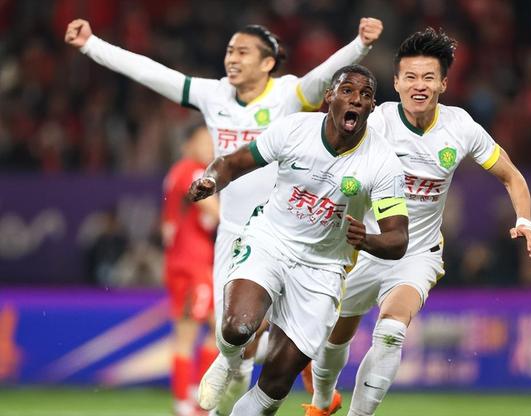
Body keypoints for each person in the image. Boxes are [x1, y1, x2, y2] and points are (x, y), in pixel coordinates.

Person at [64, 16, 383, 414]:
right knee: (235, 337)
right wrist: (92, 44)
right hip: (235, 234)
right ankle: (231, 392)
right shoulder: (214, 95)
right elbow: (151, 73)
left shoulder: (288, 94)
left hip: (289, 231)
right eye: (230, 51)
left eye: (243, 52)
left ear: (267, 63)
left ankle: (295, 366)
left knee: (265, 341)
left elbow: (326, 77)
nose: (232, 58)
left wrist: (361, 44)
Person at [304, 28, 531, 416]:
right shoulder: (377, 122)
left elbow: (511, 176)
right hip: (363, 246)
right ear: (397, 82)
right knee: (335, 338)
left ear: (443, 84)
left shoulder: (460, 127)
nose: (420, 85)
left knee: (390, 333)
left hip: (416, 253)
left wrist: (525, 221)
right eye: (411, 77)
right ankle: (321, 400)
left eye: (429, 77)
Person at [187, 64, 409, 416]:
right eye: (347, 90)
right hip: (270, 241)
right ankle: (228, 359)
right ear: (329, 97)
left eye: (365, 95)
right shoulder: (295, 130)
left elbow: (398, 238)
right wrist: (211, 181)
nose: (356, 99)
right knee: (237, 326)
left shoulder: (382, 162)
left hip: (323, 269)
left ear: (372, 107)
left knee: (275, 385)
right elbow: (232, 162)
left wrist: (367, 240)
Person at [162, 124, 219, 416]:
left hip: (187, 261)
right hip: (191, 263)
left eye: (211, 142)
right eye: (203, 141)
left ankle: (197, 392)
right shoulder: (194, 172)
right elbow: (215, 212)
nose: (209, 148)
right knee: (187, 333)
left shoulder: (176, 172)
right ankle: (183, 400)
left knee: (218, 327)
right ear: (188, 144)